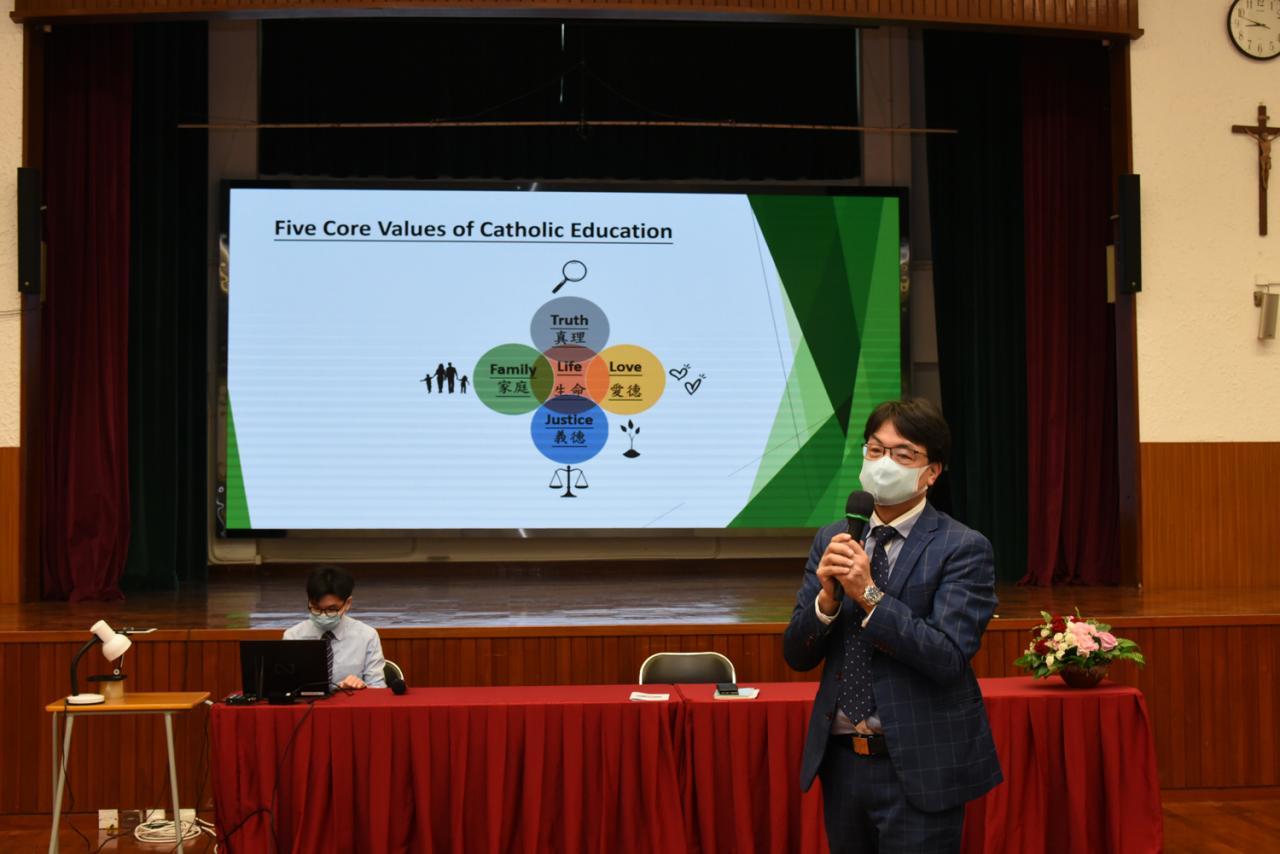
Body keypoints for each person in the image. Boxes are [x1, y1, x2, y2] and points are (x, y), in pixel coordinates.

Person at [783, 398, 1001, 853]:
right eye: (875, 450)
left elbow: (947, 657)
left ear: (931, 473)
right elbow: (797, 655)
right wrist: (827, 601)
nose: (884, 464)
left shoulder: (963, 547)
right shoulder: (834, 538)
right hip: (842, 764)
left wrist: (869, 595)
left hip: (919, 765)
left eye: (903, 454)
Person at [284, 565, 387, 690]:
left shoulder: (367, 636)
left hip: (351, 701)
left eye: (331, 609)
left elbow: (378, 687)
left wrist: (361, 689)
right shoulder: (293, 636)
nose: (323, 615)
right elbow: (285, 687)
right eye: (316, 608)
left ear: (347, 603)